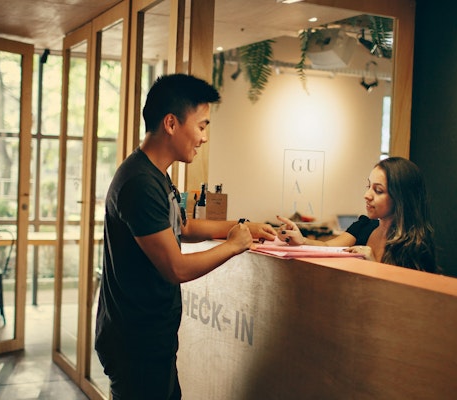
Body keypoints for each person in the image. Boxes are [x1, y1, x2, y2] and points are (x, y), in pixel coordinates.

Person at [95, 73, 277, 399]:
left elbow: (185, 227)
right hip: (136, 342)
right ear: (171, 123)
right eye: (202, 126)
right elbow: (175, 268)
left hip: (151, 338)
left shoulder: (156, 175)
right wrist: (234, 246)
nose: (204, 138)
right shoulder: (140, 183)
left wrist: (242, 226)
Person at [277, 157, 438, 273]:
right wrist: (302, 240)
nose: (367, 195)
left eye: (378, 190)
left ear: (401, 198)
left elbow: (407, 298)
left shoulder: (416, 246)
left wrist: (373, 265)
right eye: (368, 186)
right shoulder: (364, 226)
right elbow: (327, 248)